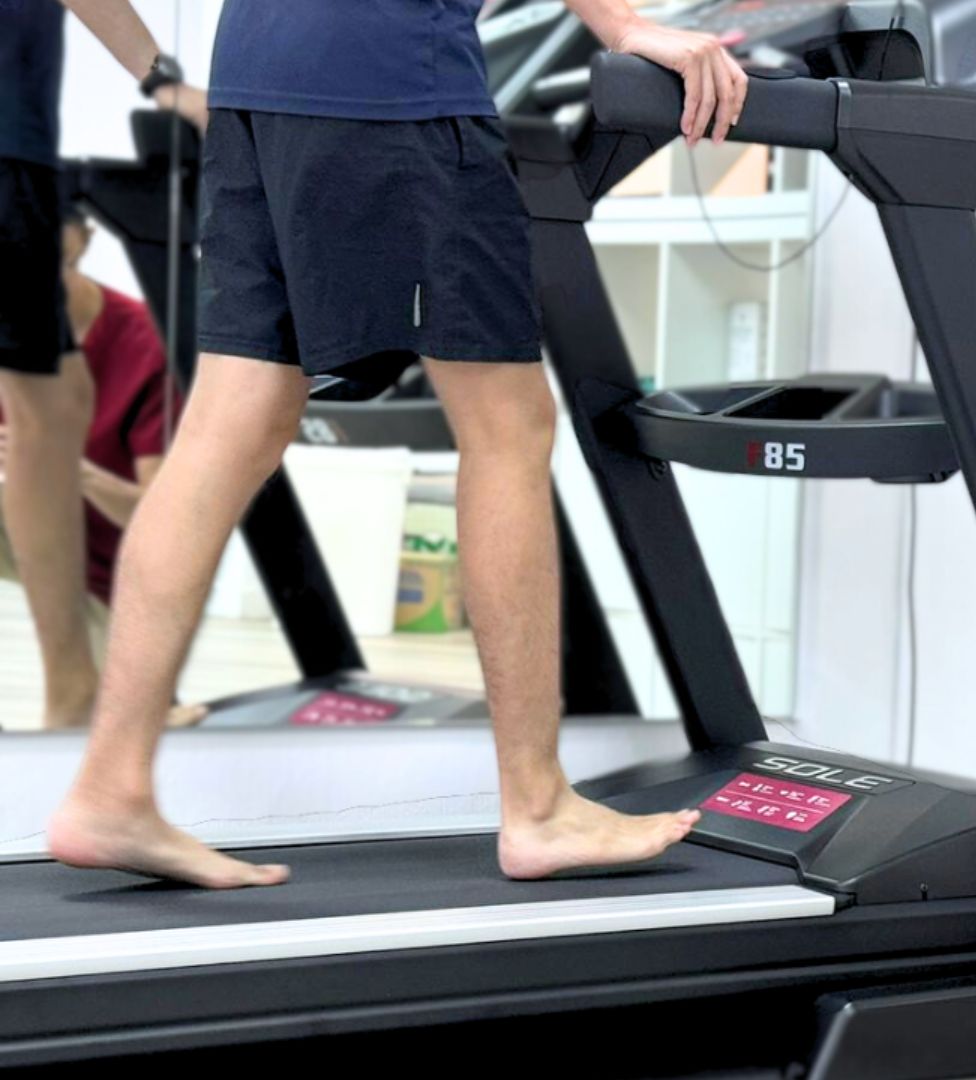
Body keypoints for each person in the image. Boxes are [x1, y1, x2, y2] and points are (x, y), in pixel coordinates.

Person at [45, 0, 751, 889]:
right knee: (508, 424)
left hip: (256, 76)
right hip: (390, 77)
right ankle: (537, 807)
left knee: (233, 422)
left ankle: (109, 787)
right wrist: (623, 25)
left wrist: (157, 73)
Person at [0, 0, 194, 730]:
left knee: (56, 400)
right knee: (50, 403)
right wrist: (160, 79)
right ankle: (75, 693)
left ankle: (79, 687)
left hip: (18, 135)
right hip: (8, 136)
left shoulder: (133, 335)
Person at [0, 201, 176, 724]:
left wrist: (68, 466)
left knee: (112, 726)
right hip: (28, 527)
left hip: (112, 565)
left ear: (78, 242)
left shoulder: (146, 345)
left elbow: (158, 522)